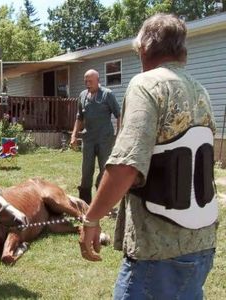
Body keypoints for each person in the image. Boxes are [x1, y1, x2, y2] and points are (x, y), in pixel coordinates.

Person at [78, 14, 218, 299]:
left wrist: (91, 219)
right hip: (202, 243)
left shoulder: (146, 85)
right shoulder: (201, 91)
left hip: (159, 250)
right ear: (182, 51)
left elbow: (127, 165)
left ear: (144, 48)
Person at [70, 69, 120, 203]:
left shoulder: (107, 95)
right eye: (86, 81)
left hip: (105, 139)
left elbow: (119, 115)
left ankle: (102, 198)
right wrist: (74, 135)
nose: (87, 83)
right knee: (86, 171)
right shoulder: (82, 95)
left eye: (90, 81)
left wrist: (118, 134)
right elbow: (79, 117)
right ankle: (84, 202)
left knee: (105, 170)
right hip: (89, 139)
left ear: (98, 81)